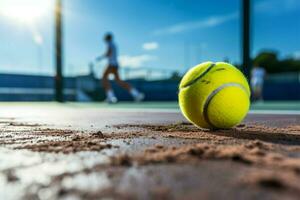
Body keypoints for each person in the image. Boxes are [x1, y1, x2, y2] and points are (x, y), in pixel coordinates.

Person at [96, 33, 144, 103]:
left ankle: (111, 97)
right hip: (115, 65)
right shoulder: (113, 44)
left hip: (111, 65)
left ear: (107, 38)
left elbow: (108, 53)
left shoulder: (109, 44)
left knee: (104, 79)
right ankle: (136, 94)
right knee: (119, 81)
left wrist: (100, 58)